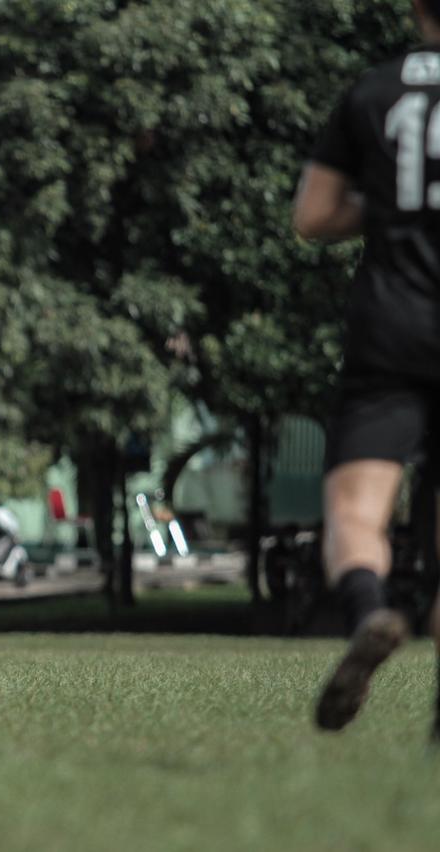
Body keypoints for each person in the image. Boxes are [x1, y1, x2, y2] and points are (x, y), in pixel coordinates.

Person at [293, 0, 440, 735]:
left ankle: (369, 609)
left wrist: (386, 207)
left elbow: (313, 215)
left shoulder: (373, 91)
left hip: (392, 326)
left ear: (418, 10)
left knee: (356, 511)